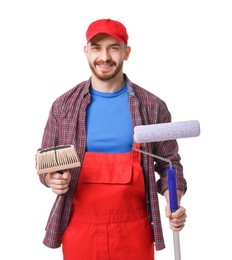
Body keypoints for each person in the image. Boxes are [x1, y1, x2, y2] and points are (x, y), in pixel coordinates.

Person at [38, 18, 187, 260]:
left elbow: (170, 163)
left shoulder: (152, 107)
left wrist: (173, 201)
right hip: (79, 228)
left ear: (126, 52)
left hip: (135, 229)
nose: (104, 57)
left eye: (113, 48)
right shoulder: (64, 106)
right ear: (86, 52)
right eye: (97, 48)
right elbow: (46, 160)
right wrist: (50, 178)